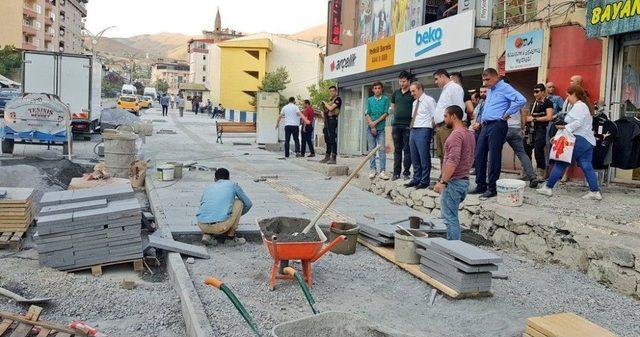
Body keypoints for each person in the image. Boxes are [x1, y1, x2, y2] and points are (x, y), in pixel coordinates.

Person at [537, 85, 602, 200]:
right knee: (586, 165)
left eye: (568, 95)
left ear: (574, 94)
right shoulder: (583, 106)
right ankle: (594, 191)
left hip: (578, 139)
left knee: (561, 163)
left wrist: (563, 129)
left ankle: (548, 188)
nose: (567, 98)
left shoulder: (579, 106)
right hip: (587, 140)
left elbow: (577, 123)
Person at [471, 68, 526, 198]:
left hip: (497, 124)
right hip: (485, 125)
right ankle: (480, 185)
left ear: (496, 77)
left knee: (494, 157)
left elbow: (521, 100)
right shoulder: (491, 90)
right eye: (483, 80)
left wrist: (508, 113)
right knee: (479, 154)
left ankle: (492, 188)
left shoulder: (505, 87)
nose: (485, 82)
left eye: (488, 79)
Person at [434, 105, 475, 240]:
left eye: (446, 116)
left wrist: (443, 181)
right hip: (463, 180)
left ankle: (453, 251)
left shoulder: (456, 136)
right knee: (451, 217)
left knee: (449, 219)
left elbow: (453, 160)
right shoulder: (468, 133)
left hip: (454, 182)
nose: (444, 119)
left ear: (453, 116)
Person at [197, 168, 253, 245]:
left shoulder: (208, 187)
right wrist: (234, 216)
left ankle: (207, 235)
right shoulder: (233, 185)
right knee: (239, 202)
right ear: (229, 178)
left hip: (202, 225)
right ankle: (230, 237)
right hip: (221, 227)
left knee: (210, 204)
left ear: (214, 179)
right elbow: (249, 204)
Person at [405, 81, 436, 189]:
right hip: (413, 129)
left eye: (413, 91)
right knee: (414, 157)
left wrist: (430, 131)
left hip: (424, 129)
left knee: (423, 157)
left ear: (420, 89)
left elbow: (434, 117)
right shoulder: (414, 103)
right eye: (411, 91)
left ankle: (424, 180)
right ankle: (416, 178)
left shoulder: (429, 100)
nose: (412, 93)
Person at [433, 69, 464, 171]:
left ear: (443, 76)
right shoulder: (446, 89)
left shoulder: (454, 88)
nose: (435, 82)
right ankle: (443, 180)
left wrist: (457, 128)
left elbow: (458, 109)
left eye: (436, 79)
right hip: (441, 127)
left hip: (449, 127)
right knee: (442, 155)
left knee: (450, 155)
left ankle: (449, 180)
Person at [504, 105, 539, 188]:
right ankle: (532, 177)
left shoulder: (502, 97)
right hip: (516, 128)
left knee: (494, 152)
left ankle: (490, 179)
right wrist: (522, 127)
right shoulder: (518, 98)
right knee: (522, 154)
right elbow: (523, 113)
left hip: (504, 127)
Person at [526, 83, 554, 178]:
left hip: (542, 129)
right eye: (534, 92)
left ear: (543, 92)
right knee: (526, 148)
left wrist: (534, 119)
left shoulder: (548, 102)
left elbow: (549, 117)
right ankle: (528, 172)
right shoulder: (533, 104)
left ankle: (540, 173)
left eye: (537, 92)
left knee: (538, 150)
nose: (535, 94)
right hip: (532, 129)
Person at [390, 71, 414, 181]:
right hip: (396, 125)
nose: (401, 83)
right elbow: (393, 107)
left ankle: (406, 172)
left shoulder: (413, 93)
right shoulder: (396, 93)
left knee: (407, 150)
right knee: (397, 150)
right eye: (400, 81)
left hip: (408, 126)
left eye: (404, 81)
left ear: (409, 81)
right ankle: (396, 173)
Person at [365, 81, 390, 180]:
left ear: (382, 89)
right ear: (372, 90)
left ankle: (382, 171)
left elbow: (385, 113)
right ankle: (373, 169)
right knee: (371, 150)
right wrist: (372, 125)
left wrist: (375, 123)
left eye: (379, 88)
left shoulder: (385, 99)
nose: (377, 90)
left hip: (381, 129)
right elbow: (367, 114)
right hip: (371, 129)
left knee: (382, 150)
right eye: (375, 88)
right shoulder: (369, 100)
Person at [320, 86, 341, 165]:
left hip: (333, 120)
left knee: (332, 138)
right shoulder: (331, 100)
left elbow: (331, 108)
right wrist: (323, 113)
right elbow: (327, 111)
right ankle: (327, 155)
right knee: (327, 138)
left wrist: (325, 103)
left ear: (336, 92)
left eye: (333, 91)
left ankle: (334, 157)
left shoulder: (338, 99)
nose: (332, 93)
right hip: (327, 120)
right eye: (330, 91)